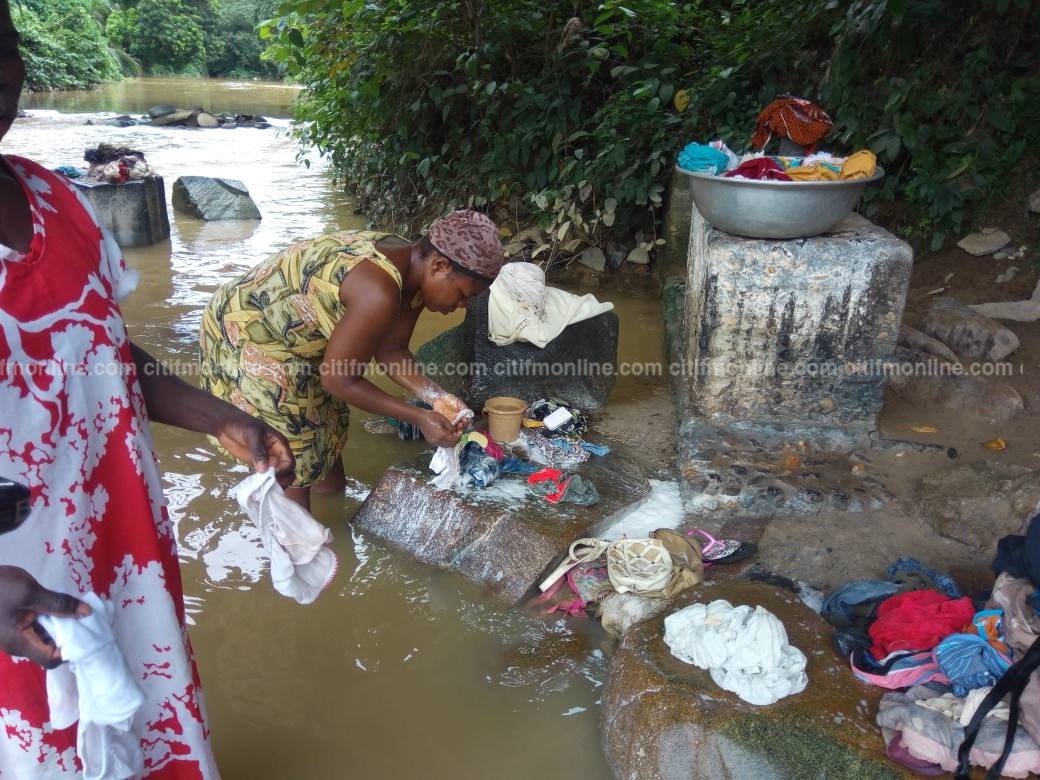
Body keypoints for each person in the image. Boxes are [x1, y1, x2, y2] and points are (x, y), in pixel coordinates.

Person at [0, 1, 294, 775]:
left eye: (1, 46)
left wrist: (224, 418)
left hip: (116, 551)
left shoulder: (57, 203)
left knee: (137, 721)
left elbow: (101, 350)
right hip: (12, 589)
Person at [199, 210, 507, 508]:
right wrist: (419, 417)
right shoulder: (379, 292)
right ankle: (297, 549)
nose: (464, 305)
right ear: (440, 266)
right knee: (292, 459)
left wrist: (437, 398)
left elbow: (392, 351)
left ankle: (333, 515)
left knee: (326, 439)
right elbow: (338, 380)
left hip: (306, 342)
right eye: (463, 294)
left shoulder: (413, 269)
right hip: (249, 334)